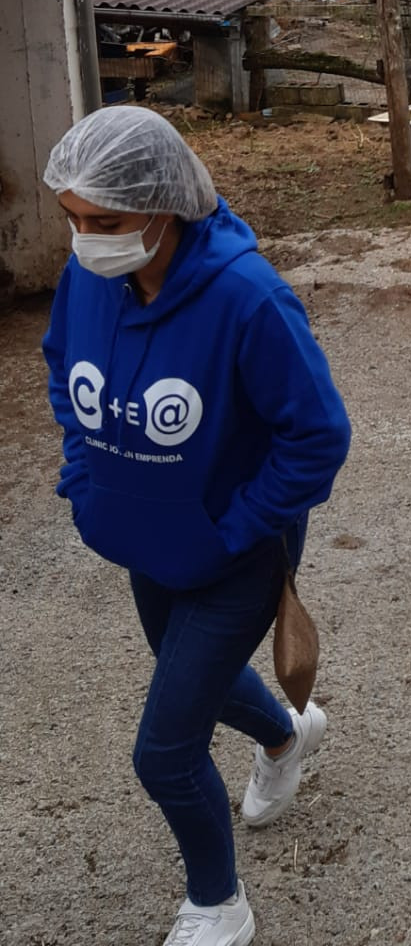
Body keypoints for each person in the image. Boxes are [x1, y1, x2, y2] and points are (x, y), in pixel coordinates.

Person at [41, 107, 352, 946]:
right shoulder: (92, 279)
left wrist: (237, 525)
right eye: (72, 221)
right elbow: (62, 368)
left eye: (102, 222)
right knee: (193, 678)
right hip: (145, 542)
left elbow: (317, 436)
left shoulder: (249, 300)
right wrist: (84, 476)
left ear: (163, 205)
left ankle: (219, 905)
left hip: (234, 555)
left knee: (163, 751)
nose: (84, 241)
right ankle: (290, 735)